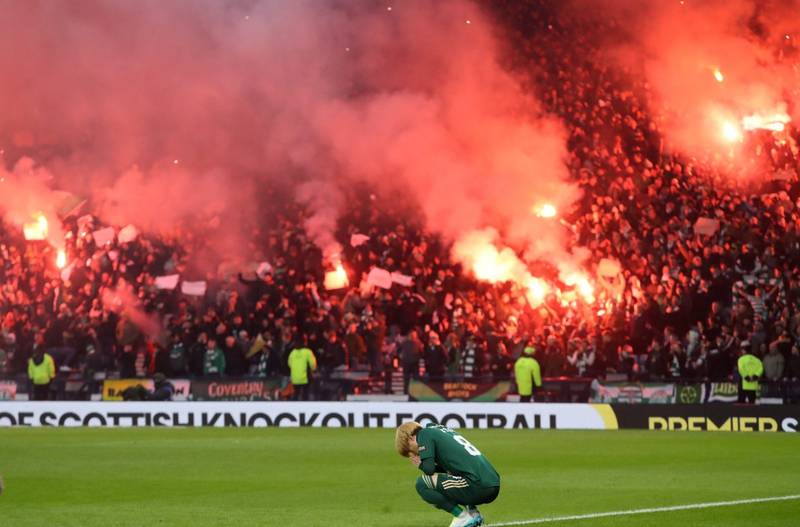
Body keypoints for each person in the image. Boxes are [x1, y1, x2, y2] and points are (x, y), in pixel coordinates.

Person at [395, 421, 500, 527]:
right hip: (491, 482)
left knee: (422, 484)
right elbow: (450, 469)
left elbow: (429, 469)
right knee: (453, 474)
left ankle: (462, 517)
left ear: (410, 438)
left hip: (478, 485)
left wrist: (421, 465)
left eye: (410, 451)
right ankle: (473, 514)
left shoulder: (424, 434)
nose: (414, 454)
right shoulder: (439, 430)